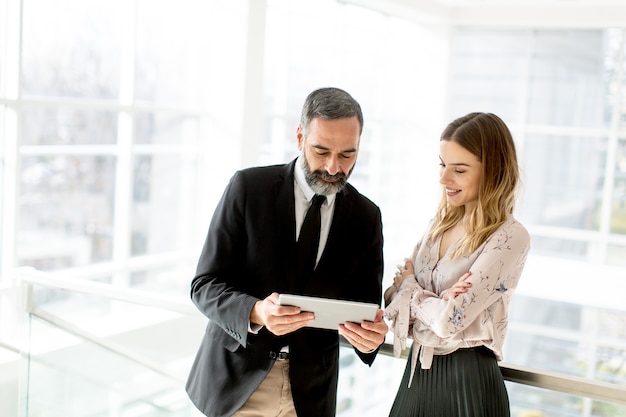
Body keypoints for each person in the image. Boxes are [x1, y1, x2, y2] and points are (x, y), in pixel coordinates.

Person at [186, 87, 389, 417]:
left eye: (347, 155)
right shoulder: (248, 189)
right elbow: (204, 284)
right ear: (299, 137)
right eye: (321, 151)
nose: (334, 167)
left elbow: (365, 307)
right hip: (237, 386)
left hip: (310, 396)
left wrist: (371, 337)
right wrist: (257, 312)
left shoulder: (367, 217)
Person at [383, 112, 530, 417]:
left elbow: (448, 322)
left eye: (459, 170)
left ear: (493, 171)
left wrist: (411, 288)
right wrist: (433, 303)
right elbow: (391, 305)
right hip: (415, 377)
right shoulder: (438, 224)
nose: (443, 179)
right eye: (442, 165)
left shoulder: (510, 236)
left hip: (467, 381)